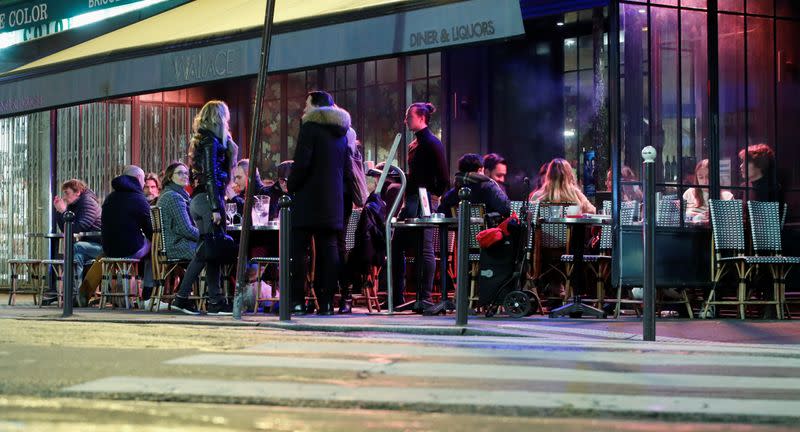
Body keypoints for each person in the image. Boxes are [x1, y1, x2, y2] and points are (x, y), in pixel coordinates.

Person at [287, 91, 354, 315]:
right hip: (332, 201)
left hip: (308, 199)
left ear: (316, 107)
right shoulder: (342, 134)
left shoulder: (309, 128)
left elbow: (302, 163)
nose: (304, 110)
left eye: (307, 105)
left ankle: (296, 301)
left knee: (298, 252)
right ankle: (326, 303)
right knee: (329, 250)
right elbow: (347, 171)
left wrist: (291, 185)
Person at [171, 100, 238, 316]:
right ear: (220, 118)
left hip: (200, 199)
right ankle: (186, 299)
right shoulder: (211, 141)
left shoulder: (203, 140)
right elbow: (211, 175)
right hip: (209, 199)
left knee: (210, 251)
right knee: (207, 252)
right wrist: (216, 207)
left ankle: (213, 301)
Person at [392, 102, 450, 312]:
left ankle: (423, 296)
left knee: (424, 248)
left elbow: (443, 177)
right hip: (412, 198)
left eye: (409, 116)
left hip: (423, 199)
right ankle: (396, 296)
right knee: (397, 245)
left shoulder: (432, 143)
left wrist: (432, 195)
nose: (406, 119)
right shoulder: (415, 144)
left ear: (421, 118)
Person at [42, 179, 103, 305]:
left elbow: (79, 227)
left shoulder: (88, 203)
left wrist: (64, 211)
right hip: (88, 246)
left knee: (75, 248)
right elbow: (65, 227)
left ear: (78, 192)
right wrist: (60, 212)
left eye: (67, 193)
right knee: (77, 256)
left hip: (101, 246)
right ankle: (75, 296)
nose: (65, 197)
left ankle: (65, 291)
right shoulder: (75, 204)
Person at [100, 165, 155, 304]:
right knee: (154, 246)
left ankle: (116, 297)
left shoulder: (110, 197)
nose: (143, 183)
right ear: (137, 178)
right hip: (130, 250)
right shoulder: (138, 198)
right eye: (143, 179)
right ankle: (148, 294)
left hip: (108, 250)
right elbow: (150, 230)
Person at [439, 153, 511, 218]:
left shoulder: (451, 194)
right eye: (499, 175)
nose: (502, 180)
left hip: (459, 232)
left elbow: (441, 214)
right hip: (486, 232)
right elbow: (507, 210)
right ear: (480, 170)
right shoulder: (489, 187)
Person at [157, 162, 199, 261]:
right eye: (180, 173)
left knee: (212, 249)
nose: (184, 176)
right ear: (170, 177)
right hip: (176, 246)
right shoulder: (173, 197)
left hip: (176, 243)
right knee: (211, 251)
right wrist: (206, 236)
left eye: (186, 173)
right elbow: (187, 230)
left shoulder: (173, 193)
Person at [530, 158, 596, 214]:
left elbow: (530, 221)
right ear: (569, 175)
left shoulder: (537, 196)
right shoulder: (576, 194)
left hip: (544, 229)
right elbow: (593, 211)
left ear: (549, 175)